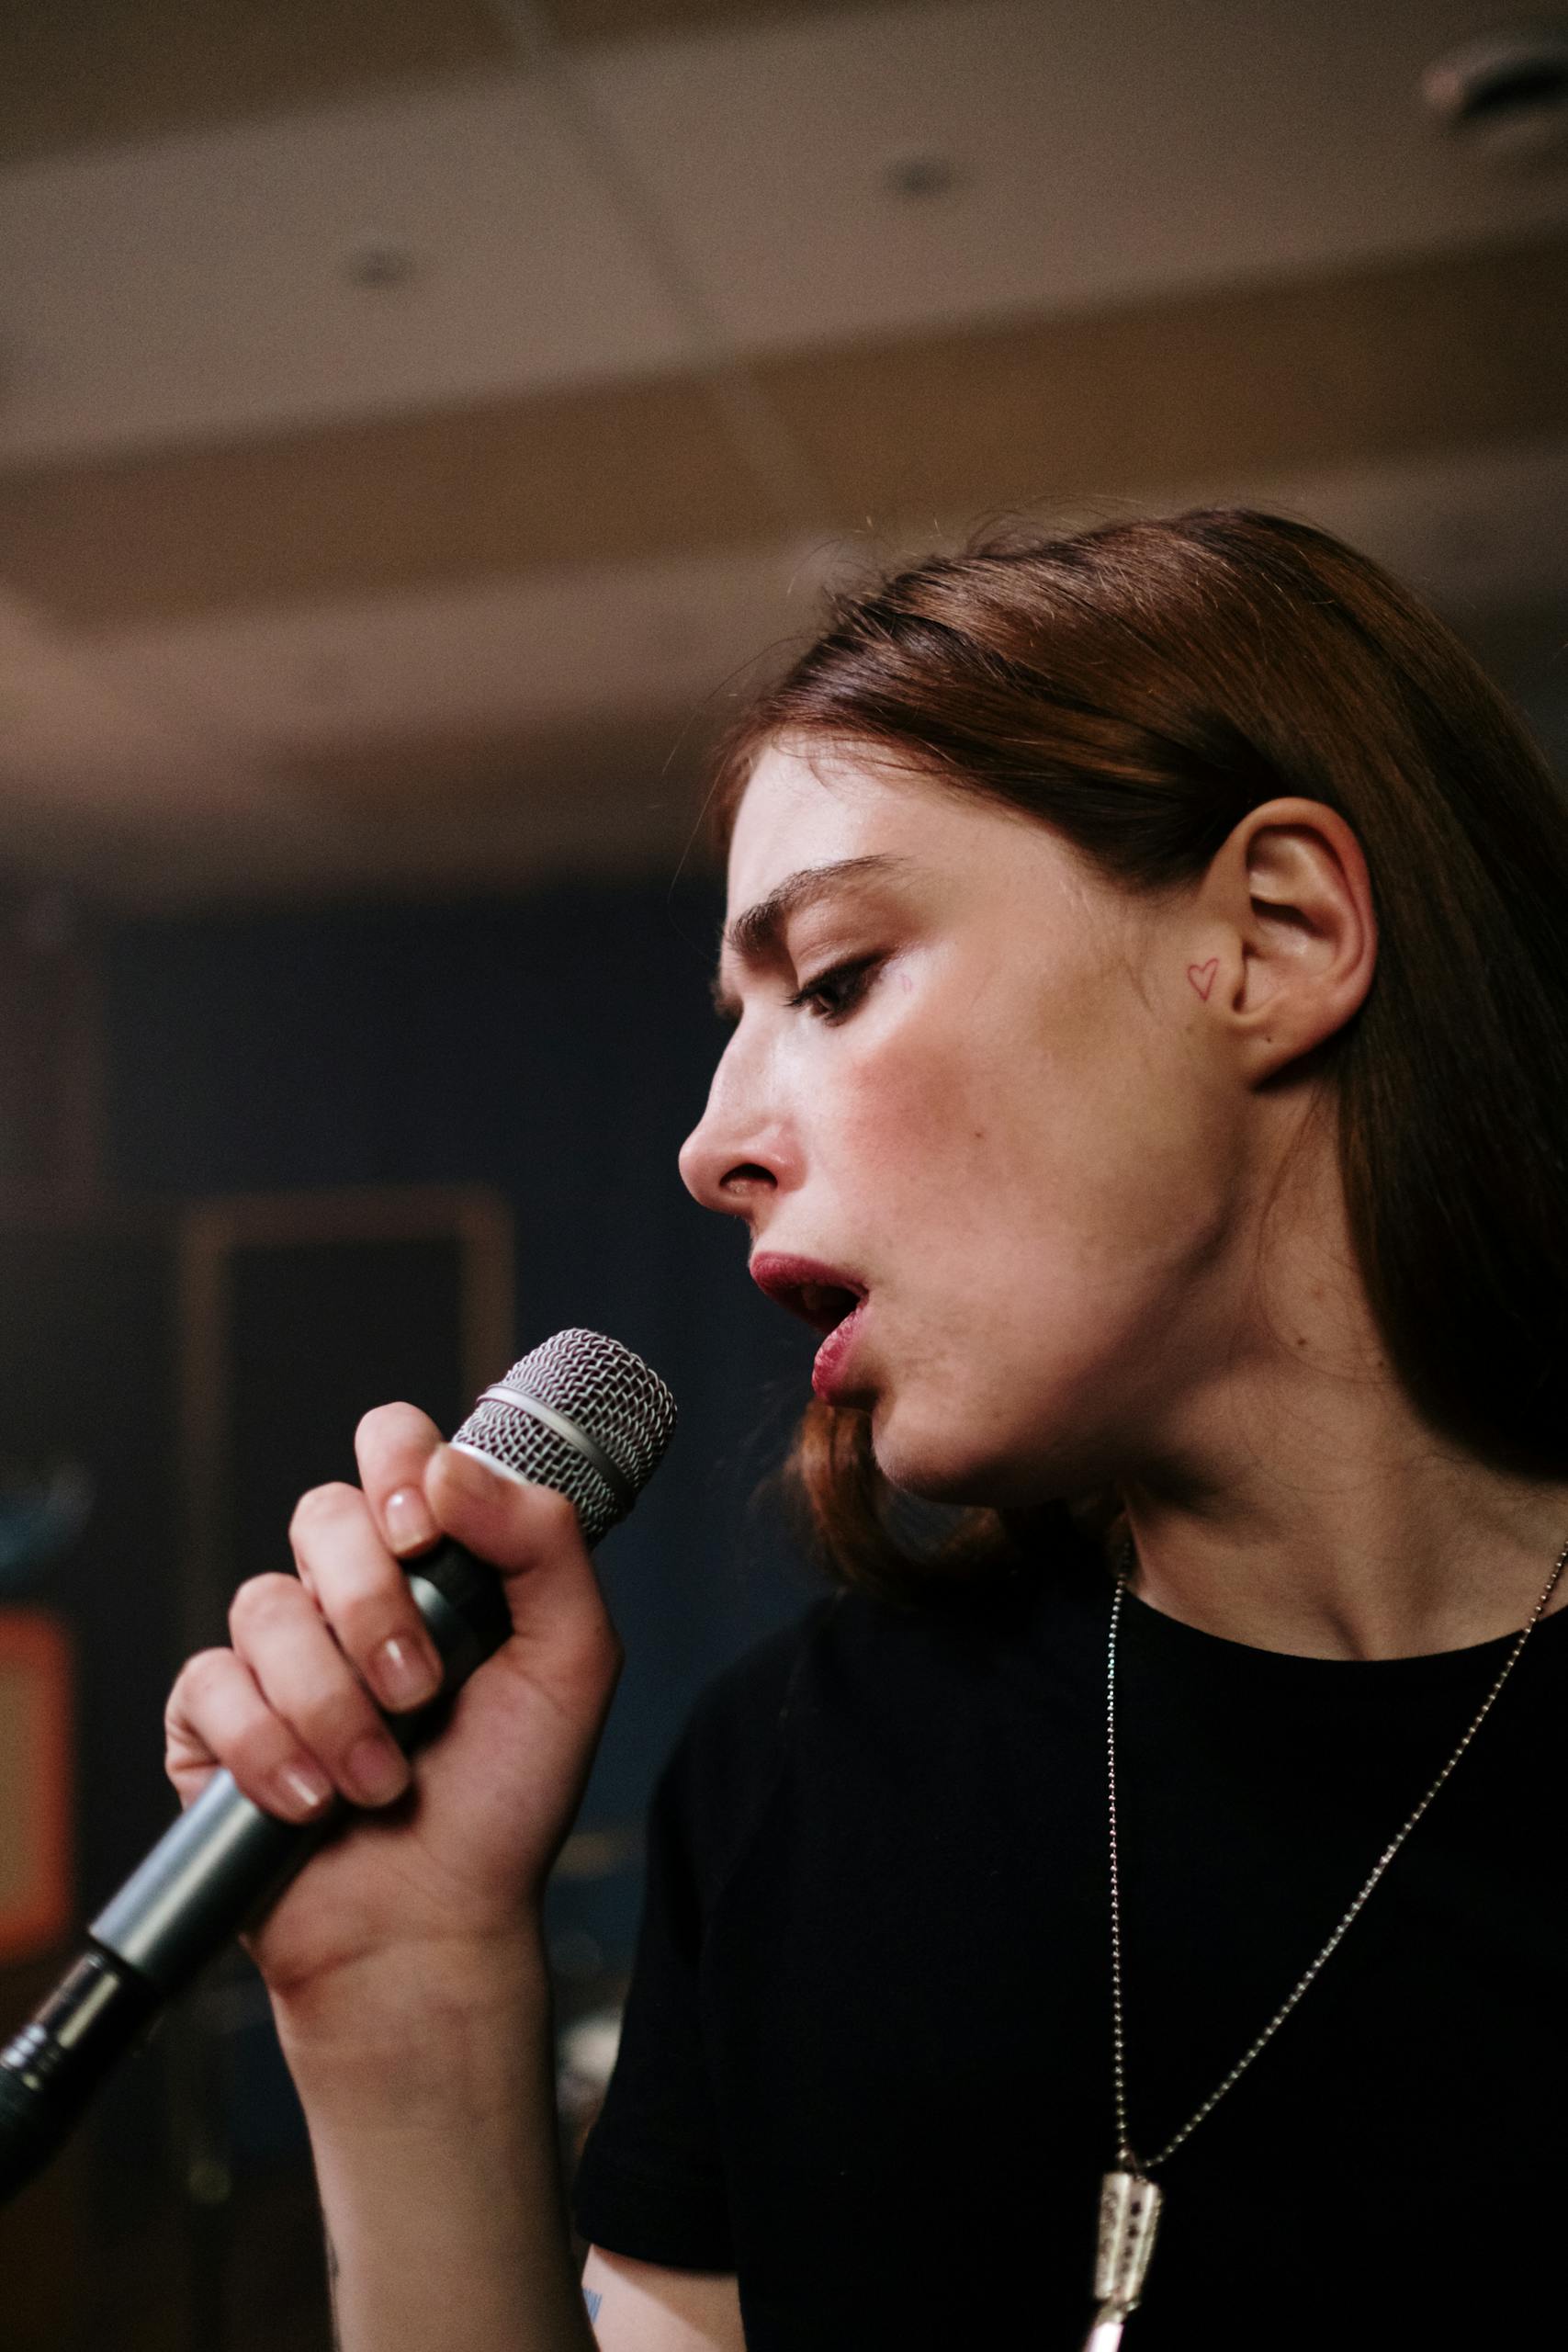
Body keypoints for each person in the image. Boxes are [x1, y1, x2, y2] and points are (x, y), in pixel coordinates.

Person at [164, 509, 1568, 2351]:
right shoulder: (793, 1782)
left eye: (829, 979)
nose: (707, 1141)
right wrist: (408, 2010)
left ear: (1274, 935)